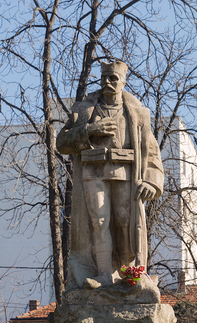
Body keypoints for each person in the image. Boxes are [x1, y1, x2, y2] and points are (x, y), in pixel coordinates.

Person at [57, 60, 164, 289]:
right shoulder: (85, 109)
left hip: (126, 174)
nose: (108, 82)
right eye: (104, 78)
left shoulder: (136, 112)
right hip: (93, 172)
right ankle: (104, 274)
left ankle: (129, 274)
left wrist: (152, 182)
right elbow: (62, 143)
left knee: (125, 223)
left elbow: (152, 152)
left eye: (113, 78)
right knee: (99, 221)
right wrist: (89, 130)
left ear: (123, 81)